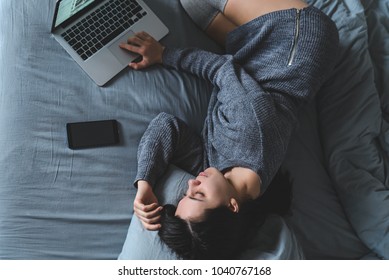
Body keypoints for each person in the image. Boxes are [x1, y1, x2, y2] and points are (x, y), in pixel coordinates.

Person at [120, 0, 339, 259]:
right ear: (232, 206)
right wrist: (163, 54)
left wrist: (145, 182)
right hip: (296, 40)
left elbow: (166, 127)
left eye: (185, 195)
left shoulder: (219, 177)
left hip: (250, 61)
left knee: (192, 8)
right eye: (198, 195)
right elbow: (221, 69)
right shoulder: (250, 133)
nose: (191, 183)